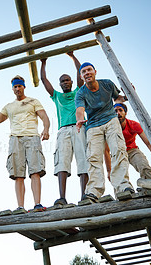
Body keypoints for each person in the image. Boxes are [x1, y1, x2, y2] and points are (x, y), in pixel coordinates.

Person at [0, 75, 50, 212]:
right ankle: (20, 206)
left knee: (35, 171)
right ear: (12, 89)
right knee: (18, 174)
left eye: (20, 86)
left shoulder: (33, 101)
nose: (18, 88)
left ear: (24, 86)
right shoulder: (9, 107)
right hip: (15, 139)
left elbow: (44, 117)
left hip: (32, 137)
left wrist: (46, 129)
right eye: (15, 86)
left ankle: (37, 204)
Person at [75, 62, 134, 202]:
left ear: (95, 71)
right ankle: (94, 191)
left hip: (111, 120)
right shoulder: (81, 93)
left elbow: (117, 99)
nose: (87, 73)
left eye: (89, 70)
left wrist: (126, 96)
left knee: (118, 150)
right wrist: (79, 119)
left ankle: (123, 186)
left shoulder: (107, 84)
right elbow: (80, 110)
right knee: (93, 156)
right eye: (84, 72)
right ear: (81, 76)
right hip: (93, 125)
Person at [40, 52, 89, 205]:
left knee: (83, 160)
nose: (65, 82)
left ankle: (84, 195)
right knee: (62, 161)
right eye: (62, 81)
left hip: (79, 127)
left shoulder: (78, 92)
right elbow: (43, 80)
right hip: (63, 130)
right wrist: (43, 62)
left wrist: (72, 56)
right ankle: (62, 197)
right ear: (60, 84)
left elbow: (81, 71)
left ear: (72, 82)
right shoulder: (57, 96)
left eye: (67, 80)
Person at [114, 102, 151, 181]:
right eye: (115, 111)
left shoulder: (134, 125)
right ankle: (124, 190)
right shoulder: (110, 128)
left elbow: (148, 142)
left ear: (125, 113)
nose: (118, 113)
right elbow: (106, 148)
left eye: (120, 110)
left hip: (132, 150)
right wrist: (108, 169)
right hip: (118, 152)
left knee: (143, 166)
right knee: (118, 175)